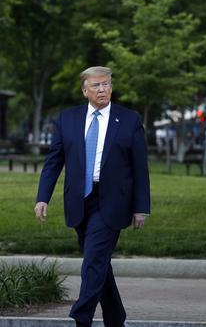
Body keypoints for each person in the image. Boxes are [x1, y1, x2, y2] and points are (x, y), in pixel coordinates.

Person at [34, 66, 151, 327]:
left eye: (107, 84)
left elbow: (140, 167)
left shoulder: (129, 119)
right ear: (85, 90)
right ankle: (115, 318)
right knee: (99, 263)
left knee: (94, 259)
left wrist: (140, 207)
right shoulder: (67, 119)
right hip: (79, 201)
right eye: (96, 85)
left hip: (112, 201)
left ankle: (80, 316)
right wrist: (43, 198)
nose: (102, 90)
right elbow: (54, 161)